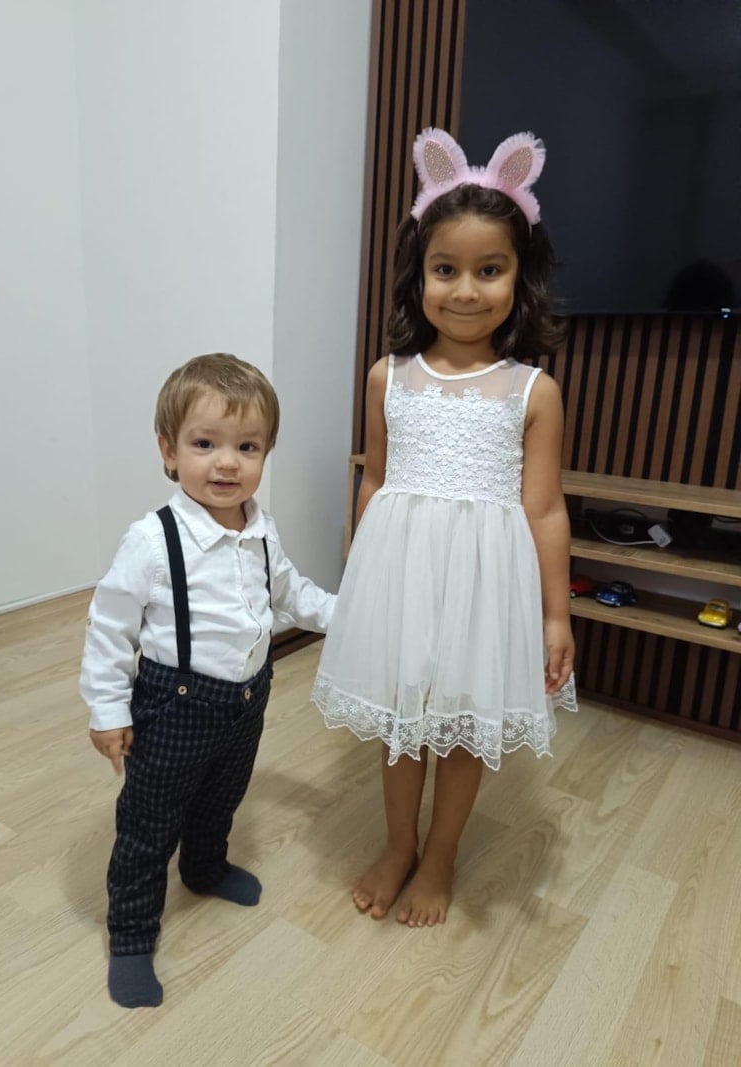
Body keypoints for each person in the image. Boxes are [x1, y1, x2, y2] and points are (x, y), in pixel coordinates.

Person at [312, 128, 577, 929]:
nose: (466, 290)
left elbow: (544, 508)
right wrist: (360, 578)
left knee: (461, 728)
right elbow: (376, 479)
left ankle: (442, 852)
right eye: (445, 269)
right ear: (418, 275)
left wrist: (556, 614)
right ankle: (399, 843)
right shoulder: (388, 376)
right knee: (402, 722)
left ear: (520, 278)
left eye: (489, 270)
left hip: (484, 587)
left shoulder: (532, 390)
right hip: (400, 576)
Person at [81, 353, 335, 1008]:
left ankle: (204, 867)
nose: (226, 463)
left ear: (266, 452)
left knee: (222, 796)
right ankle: (131, 933)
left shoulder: (262, 531)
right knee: (148, 824)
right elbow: (109, 630)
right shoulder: (151, 540)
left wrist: (349, 616)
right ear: (169, 451)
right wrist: (108, 710)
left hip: (246, 701)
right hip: (173, 707)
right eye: (204, 444)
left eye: (246, 447)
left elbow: (293, 594)